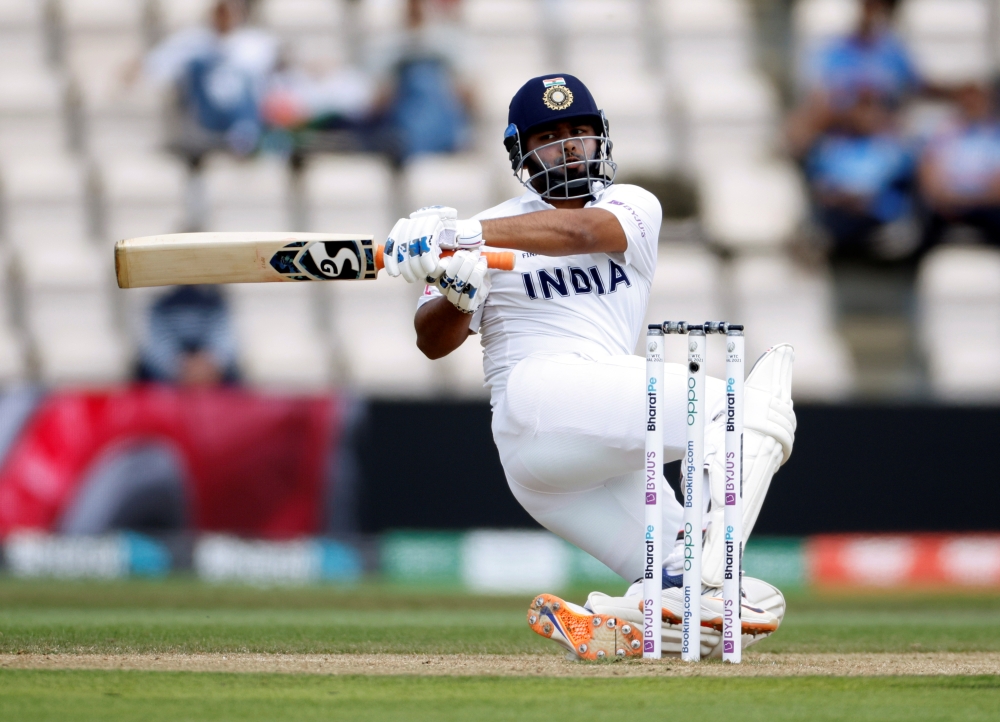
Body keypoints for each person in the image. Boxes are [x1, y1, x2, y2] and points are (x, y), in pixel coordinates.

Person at [382, 74, 797, 659]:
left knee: (741, 599)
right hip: (535, 401)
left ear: (600, 138)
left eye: (580, 132)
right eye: (551, 137)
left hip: (588, 440)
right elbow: (432, 343)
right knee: (747, 409)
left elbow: (581, 231)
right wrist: (455, 290)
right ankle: (697, 589)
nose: (570, 146)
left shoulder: (631, 206)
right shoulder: (485, 231)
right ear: (521, 153)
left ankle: (621, 616)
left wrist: (460, 234)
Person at [144, 0, 279, 156]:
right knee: (198, 64)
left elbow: (281, 71)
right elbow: (157, 64)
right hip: (206, 113)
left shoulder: (255, 43)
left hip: (242, 111)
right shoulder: (192, 41)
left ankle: (243, 134)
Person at [788, 0, 920, 157]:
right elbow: (816, 108)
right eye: (865, 5)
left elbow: (908, 100)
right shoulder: (829, 53)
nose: (870, 11)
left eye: (875, 5)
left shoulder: (894, 51)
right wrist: (853, 116)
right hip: (836, 146)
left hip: (886, 147)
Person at [806, 89, 916, 256]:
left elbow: (898, 186)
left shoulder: (894, 147)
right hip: (840, 214)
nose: (865, 115)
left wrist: (864, 200)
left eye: (871, 109)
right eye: (860, 109)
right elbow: (821, 186)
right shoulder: (831, 147)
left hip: (880, 218)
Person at [918, 82, 1000, 251]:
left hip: (988, 205)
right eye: (966, 101)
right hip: (948, 205)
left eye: (976, 100)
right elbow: (929, 172)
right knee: (926, 219)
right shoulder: (943, 132)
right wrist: (946, 199)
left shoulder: (996, 133)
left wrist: (974, 200)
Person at [137, 285, 239, 386]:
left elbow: (224, 342)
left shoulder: (217, 303)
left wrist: (210, 364)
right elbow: (156, 346)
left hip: (213, 373)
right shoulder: (160, 306)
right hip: (168, 377)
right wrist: (179, 368)